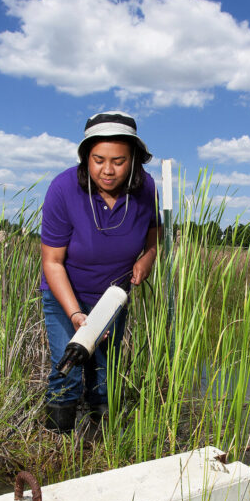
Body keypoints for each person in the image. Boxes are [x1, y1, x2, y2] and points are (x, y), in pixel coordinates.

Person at [39, 111, 159, 433]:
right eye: (98, 159)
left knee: (105, 369)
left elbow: (154, 231)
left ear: (134, 160)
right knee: (68, 368)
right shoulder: (63, 189)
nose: (107, 170)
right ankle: (57, 443)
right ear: (85, 157)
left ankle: (100, 441)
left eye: (118, 161)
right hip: (67, 294)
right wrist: (77, 314)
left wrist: (147, 259)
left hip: (113, 297)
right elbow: (52, 262)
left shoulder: (146, 188)